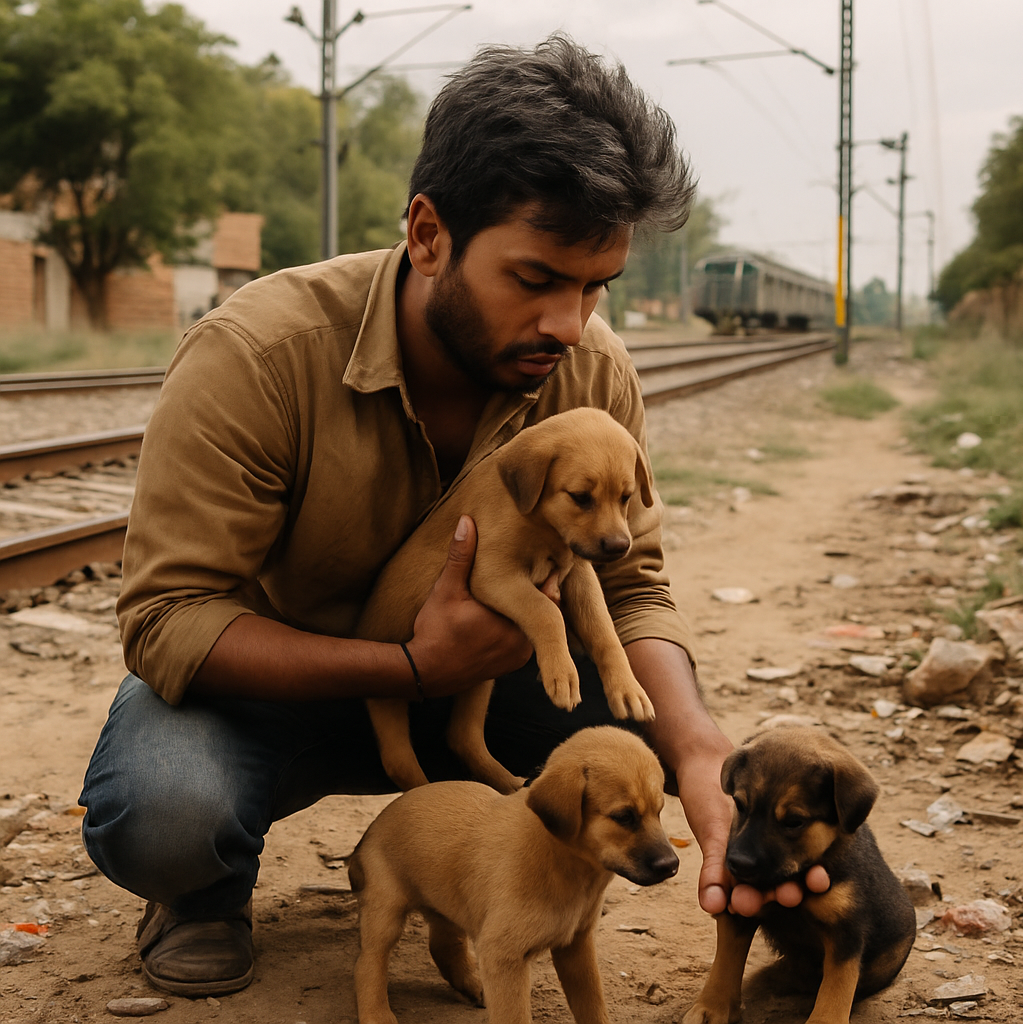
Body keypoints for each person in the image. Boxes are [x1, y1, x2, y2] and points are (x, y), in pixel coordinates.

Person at [79, 33, 825, 999]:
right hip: (277, 687)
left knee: (634, 739)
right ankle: (202, 896)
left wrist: (699, 754)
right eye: (536, 279)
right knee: (164, 816)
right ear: (428, 234)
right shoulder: (256, 357)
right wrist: (408, 667)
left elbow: (633, 583)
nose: (570, 322)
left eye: (596, 286)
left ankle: (506, 878)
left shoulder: (591, 372)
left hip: (487, 688)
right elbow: (166, 618)